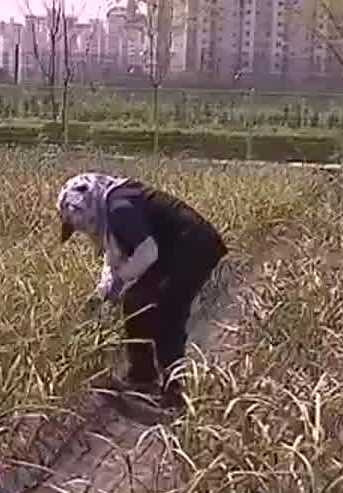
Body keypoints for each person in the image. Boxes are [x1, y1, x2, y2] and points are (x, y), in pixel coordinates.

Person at [56, 172, 228, 409]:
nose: (84, 231)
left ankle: (174, 393)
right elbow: (114, 256)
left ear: (90, 210)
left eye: (83, 224)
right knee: (136, 301)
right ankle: (142, 376)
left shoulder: (119, 208)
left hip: (193, 246)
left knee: (165, 312)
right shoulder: (110, 204)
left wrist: (119, 282)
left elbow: (147, 253)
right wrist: (102, 291)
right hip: (174, 249)